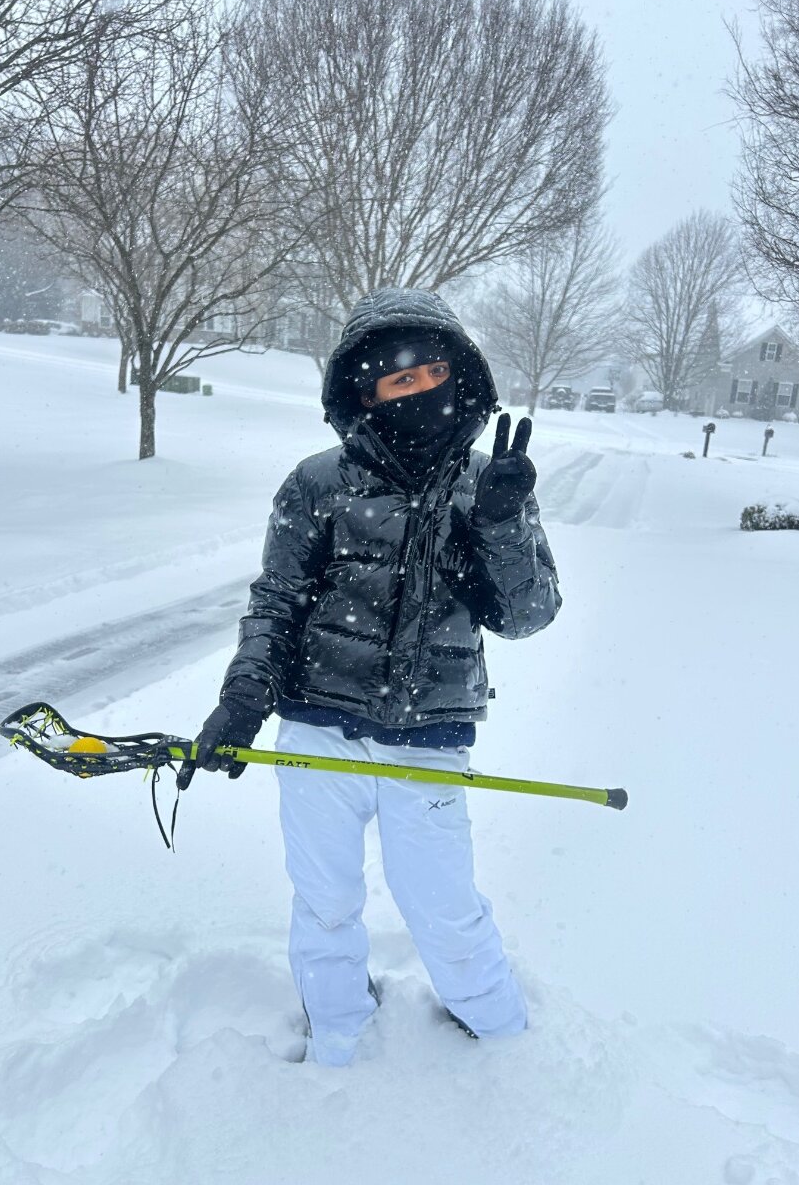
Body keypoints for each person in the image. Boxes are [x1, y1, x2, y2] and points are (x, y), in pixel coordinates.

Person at [179, 286, 561, 1066]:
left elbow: (527, 616)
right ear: (365, 391)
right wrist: (242, 699)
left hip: (430, 737)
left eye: (434, 373)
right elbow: (277, 604)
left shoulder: (488, 483)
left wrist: (502, 524)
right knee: (324, 904)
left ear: (460, 373)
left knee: (444, 909)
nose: (421, 389)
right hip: (318, 729)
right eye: (400, 379)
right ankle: (339, 1037)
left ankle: (504, 1042)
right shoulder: (317, 483)